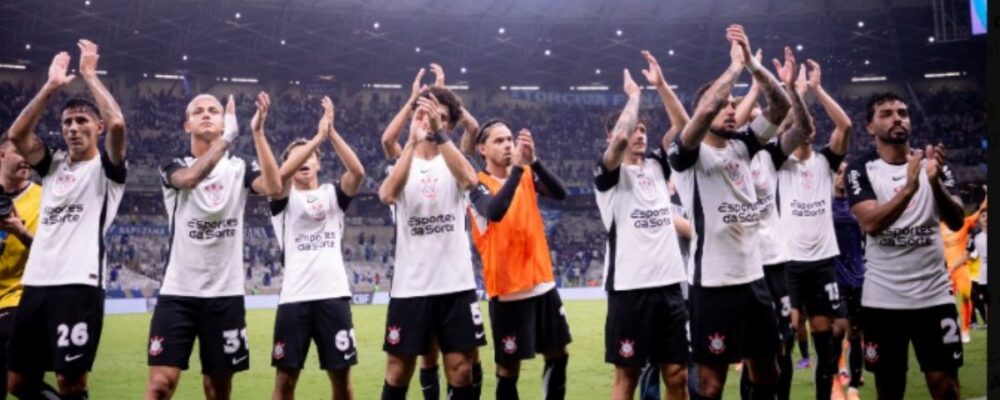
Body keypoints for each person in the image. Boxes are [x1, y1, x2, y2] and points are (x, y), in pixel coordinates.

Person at [668, 25, 808, 400]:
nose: (732, 109)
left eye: (735, 104)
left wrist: (753, 68)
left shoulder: (745, 144)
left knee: (767, 370)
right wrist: (732, 70)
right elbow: (708, 108)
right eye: (726, 104)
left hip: (754, 281)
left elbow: (781, 109)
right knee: (711, 383)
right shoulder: (686, 156)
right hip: (712, 286)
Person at [5, 40, 127, 400]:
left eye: (82, 121)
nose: (73, 128)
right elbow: (16, 136)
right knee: (17, 382)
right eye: (67, 122)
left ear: (97, 127)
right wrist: (50, 86)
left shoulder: (108, 170)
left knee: (70, 382)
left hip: (79, 284)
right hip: (37, 283)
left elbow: (119, 122)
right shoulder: (53, 165)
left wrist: (89, 75)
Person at [145, 91, 282, 399]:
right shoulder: (173, 165)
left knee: (218, 390)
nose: (206, 114)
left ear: (223, 123)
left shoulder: (240, 167)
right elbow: (191, 178)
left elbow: (274, 188)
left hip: (225, 296)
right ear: (187, 125)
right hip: (178, 293)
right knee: (160, 385)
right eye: (198, 111)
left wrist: (257, 133)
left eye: (213, 111)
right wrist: (228, 139)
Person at [845, 92, 965, 400]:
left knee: (946, 388)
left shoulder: (933, 165)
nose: (898, 117)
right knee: (890, 390)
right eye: (886, 113)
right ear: (870, 127)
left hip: (934, 296)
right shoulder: (861, 170)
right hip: (884, 300)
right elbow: (871, 223)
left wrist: (934, 182)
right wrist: (910, 189)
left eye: (902, 112)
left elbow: (955, 220)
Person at [380, 64, 482, 399]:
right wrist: (413, 120)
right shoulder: (404, 161)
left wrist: (441, 129)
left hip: (455, 284)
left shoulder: (451, 160)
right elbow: (386, 194)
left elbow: (470, 179)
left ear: (447, 123)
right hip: (411, 286)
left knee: (462, 369)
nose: (426, 119)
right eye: (421, 114)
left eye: (434, 115)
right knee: (398, 370)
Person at [465, 118, 571, 400]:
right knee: (509, 368)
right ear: (482, 149)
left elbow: (561, 193)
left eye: (510, 139)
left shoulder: (525, 174)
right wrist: (518, 170)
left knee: (559, 354)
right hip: (507, 290)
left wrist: (534, 162)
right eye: (499, 141)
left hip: (542, 282)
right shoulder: (476, 185)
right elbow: (496, 210)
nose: (508, 145)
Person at [268, 97, 365, 399]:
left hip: (333, 297)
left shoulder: (332, 195)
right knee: (285, 382)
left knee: (341, 381)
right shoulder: (281, 197)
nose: (304, 161)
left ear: (319, 162)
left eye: (310, 156)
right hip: (294, 299)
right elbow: (281, 174)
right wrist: (315, 139)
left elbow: (358, 173)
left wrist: (331, 133)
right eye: (297, 157)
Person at [771, 58, 851, 400]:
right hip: (789, 263)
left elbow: (845, 127)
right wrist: (793, 90)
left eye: (812, 122)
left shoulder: (824, 162)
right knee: (786, 338)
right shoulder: (780, 163)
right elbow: (782, 127)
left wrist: (816, 89)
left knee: (826, 337)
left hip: (822, 264)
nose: (810, 126)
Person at [0, 135, 44, 400]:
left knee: (21, 381)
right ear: (2, 155)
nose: (26, 158)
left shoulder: (45, 198)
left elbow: (53, 255)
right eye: (19, 152)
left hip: (22, 299)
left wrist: (21, 232)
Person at [832, 161, 866, 400]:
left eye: (846, 172)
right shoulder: (825, 205)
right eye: (838, 172)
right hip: (834, 277)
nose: (842, 176)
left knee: (856, 333)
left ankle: (853, 385)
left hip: (859, 276)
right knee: (838, 329)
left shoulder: (859, 205)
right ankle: (835, 380)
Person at [939, 191, 986, 343]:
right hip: (944, 271)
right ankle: (951, 329)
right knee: (946, 302)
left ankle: (965, 330)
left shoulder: (964, 222)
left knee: (966, 297)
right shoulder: (937, 226)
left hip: (961, 268)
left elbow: (981, 212)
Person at [968, 207, 987, 328]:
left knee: (978, 298)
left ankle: (981, 321)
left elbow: (974, 255)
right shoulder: (975, 237)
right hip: (974, 274)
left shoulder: (976, 237)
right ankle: (975, 322)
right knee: (974, 297)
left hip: (978, 272)